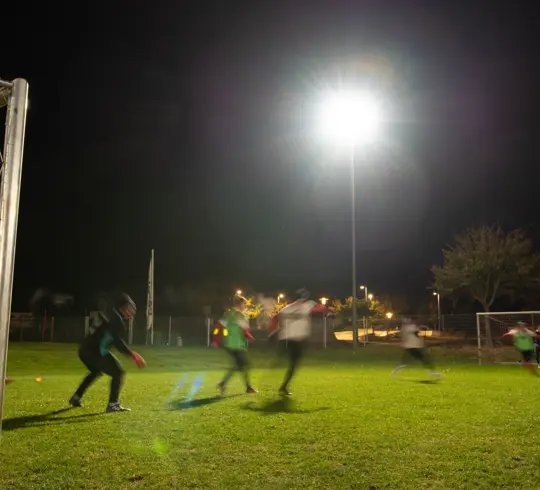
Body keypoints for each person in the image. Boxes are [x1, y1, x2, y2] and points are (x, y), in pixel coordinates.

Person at [69, 292, 146, 412]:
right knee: (118, 373)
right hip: (95, 351)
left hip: (83, 350)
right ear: (124, 306)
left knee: (95, 371)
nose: (133, 311)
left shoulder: (108, 312)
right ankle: (113, 404)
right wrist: (132, 355)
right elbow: (116, 342)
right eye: (131, 308)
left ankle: (76, 397)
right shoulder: (118, 321)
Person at [268, 288, 332, 396]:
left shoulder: (286, 308)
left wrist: (271, 334)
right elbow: (321, 309)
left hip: (285, 339)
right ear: (305, 297)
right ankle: (283, 386)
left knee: (282, 361)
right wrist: (330, 313)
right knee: (293, 365)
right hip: (297, 340)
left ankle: (277, 381)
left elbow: (275, 319)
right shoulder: (308, 304)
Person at [212, 295, 256, 395]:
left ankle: (223, 384)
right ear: (239, 304)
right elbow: (243, 329)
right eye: (244, 304)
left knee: (239, 365)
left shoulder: (228, 314)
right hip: (236, 345)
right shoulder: (239, 315)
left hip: (229, 344)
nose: (245, 306)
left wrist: (215, 340)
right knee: (244, 364)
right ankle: (247, 388)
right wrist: (249, 336)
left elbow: (217, 328)